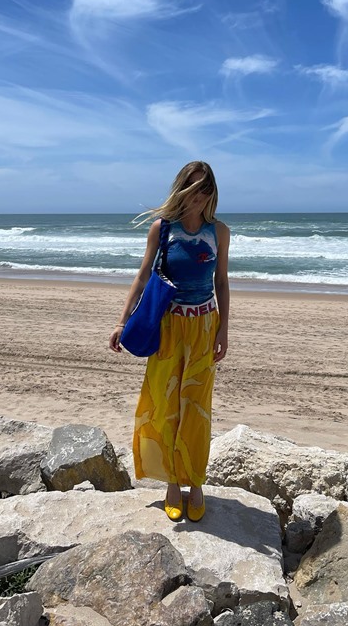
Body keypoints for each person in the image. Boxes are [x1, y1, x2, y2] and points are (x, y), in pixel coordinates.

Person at [109, 161, 230, 522]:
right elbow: (144, 275)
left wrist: (224, 329)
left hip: (204, 326)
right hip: (168, 326)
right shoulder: (163, 229)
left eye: (205, 188)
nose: (199, 195)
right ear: (181, 189)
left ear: (212, 193)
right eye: (192, 187)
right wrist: (121, 320)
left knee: (196, 407)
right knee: (164, 403)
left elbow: (221, 281)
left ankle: (195, 484)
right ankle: (171, 484)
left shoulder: (218, 231)